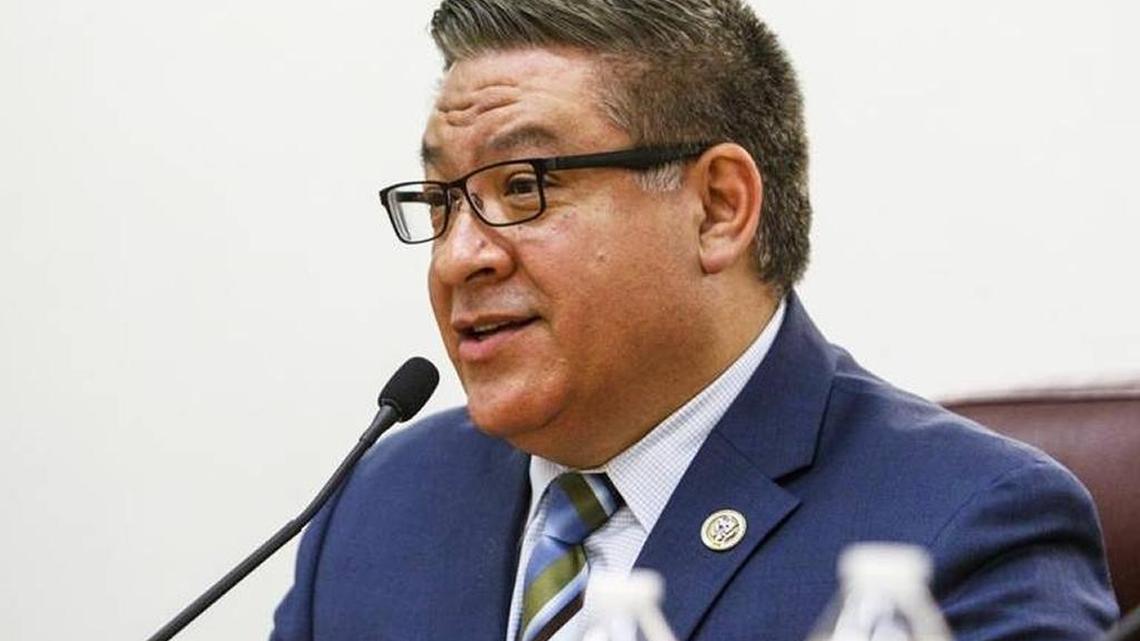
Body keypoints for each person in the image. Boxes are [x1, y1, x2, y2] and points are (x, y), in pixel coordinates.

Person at [271, 1, 1118, 640]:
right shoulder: (380, 505)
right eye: (441, 200)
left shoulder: (964, 528)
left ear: (717, 208)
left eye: (523, 186)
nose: (459, 256)